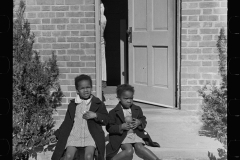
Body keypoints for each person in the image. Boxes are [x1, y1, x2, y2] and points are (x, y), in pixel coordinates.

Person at [51, 74, 109, 160]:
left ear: (91, 88)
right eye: (82, 88)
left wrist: (96, 115)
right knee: (68, 156)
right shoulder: (73, 105)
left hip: (91, 136)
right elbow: (67, 123)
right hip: (74, 136)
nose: (86, 90)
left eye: (88, 87)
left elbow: (107, 119)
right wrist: (56, 135)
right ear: (77, 90)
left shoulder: (98, 103)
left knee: (89, 156)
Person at [106, 84, 160, 160]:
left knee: (139, 147)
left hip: (136, 134)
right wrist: (121, 127)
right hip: (123, 137)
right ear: (119, 98)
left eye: (131, 98)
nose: (129, 101)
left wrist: (139, 122)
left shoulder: (137, 109)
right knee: (129, 150)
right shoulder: (113, 112)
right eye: (126, 98)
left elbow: (143, 119)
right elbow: (109, 127)